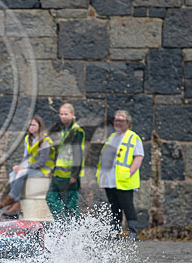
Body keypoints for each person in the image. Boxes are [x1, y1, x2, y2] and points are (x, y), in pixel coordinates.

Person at [96, 110, 144, 241]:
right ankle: (115, 232)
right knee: (114, 207)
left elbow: (138, 157)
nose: (117, 123)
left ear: (128, 122)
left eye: (121, 120)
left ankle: (133, 233)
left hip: (124, 179)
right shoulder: (112, 137)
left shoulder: (133, 137)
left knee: (128, 206)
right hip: (110, 179)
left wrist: (130, 172)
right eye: (116, 120)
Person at [2, 115, 54, 215]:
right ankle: (17, 202)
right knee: (13, 174)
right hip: (32, 168)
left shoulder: (45, 141)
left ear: (40, 126)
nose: (31, 127)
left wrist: (24, 168)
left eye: (34, 125)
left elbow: (42, 162)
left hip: (44, 169)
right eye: (30, 125)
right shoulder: (28, 139)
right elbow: (26, 158)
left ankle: (12, 198)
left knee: (22, 172)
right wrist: (19, 166)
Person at [46, 103, 85, 221]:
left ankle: (75, 228)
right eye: (61, 114)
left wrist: (74, 175)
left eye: (66, 114)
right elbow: (59, 153)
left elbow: (78, 154)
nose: (63, 116)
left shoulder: (76, 131)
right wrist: (53, 169)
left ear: (72, 115)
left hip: (70, 175)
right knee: (50, 198)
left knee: (71, 204)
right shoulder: (62, 130)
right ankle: (62, 222)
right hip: (58, 173)